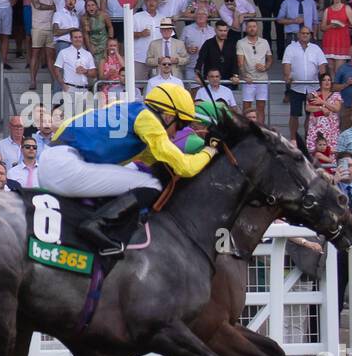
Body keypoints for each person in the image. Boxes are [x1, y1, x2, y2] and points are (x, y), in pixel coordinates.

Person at [38, 83, 218, 254]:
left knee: (135, 174)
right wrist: (211, 150)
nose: (178, 133)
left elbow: (153, 160)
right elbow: (184, 167)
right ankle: (97, 224)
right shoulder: (149, 120)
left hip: (54, 159)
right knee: (151, 185)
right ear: (169, 116)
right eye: (181, 125)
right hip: (65, 167)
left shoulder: (130, 109)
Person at [320, 0, 352, 65]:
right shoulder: (327, 10)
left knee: (339, 68)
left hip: (342, 40)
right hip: (329, 41)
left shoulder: (346, 8)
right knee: (330, 67)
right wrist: (330, 26)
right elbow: (322, 27)